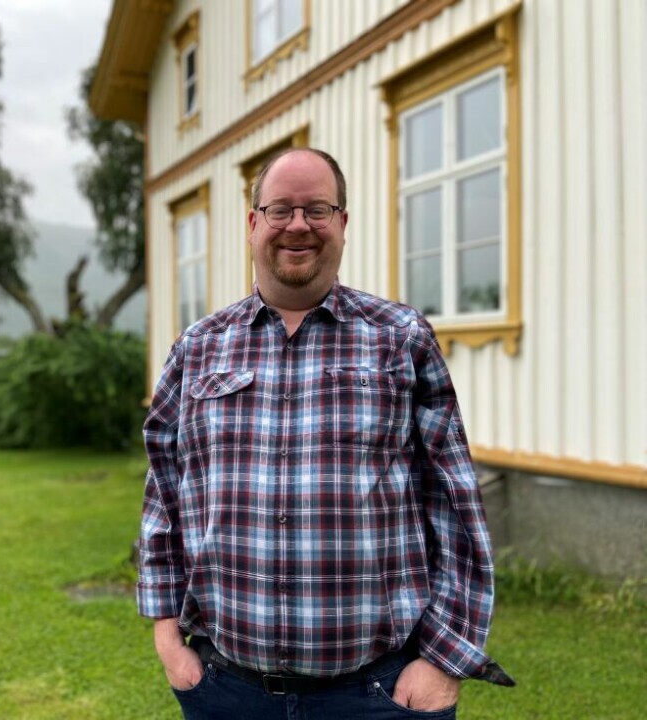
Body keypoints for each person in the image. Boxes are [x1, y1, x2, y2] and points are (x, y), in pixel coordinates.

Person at [138, 147, 513, 719]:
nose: (298, 225)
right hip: (226, 691)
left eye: (317, 209)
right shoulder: (198, 348)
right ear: (253, 222)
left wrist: (444, 661)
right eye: (280, 209)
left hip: (377, 695)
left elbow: (453, 498)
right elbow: (164, 496)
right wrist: (169, 638)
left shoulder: (400, 338)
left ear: (342, 222)